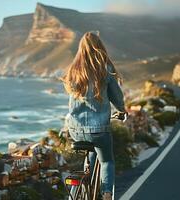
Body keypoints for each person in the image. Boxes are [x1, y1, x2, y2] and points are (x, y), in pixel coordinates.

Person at [62, 31, 126, 200]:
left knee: (90, 154)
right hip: (99, 130)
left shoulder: (74, 70)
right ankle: (106, 194)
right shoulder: (105, 69)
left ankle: (80, 191)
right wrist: (122, 110)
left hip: (75, 130)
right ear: (99, 48)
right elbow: (116, 97)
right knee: (107, 161)